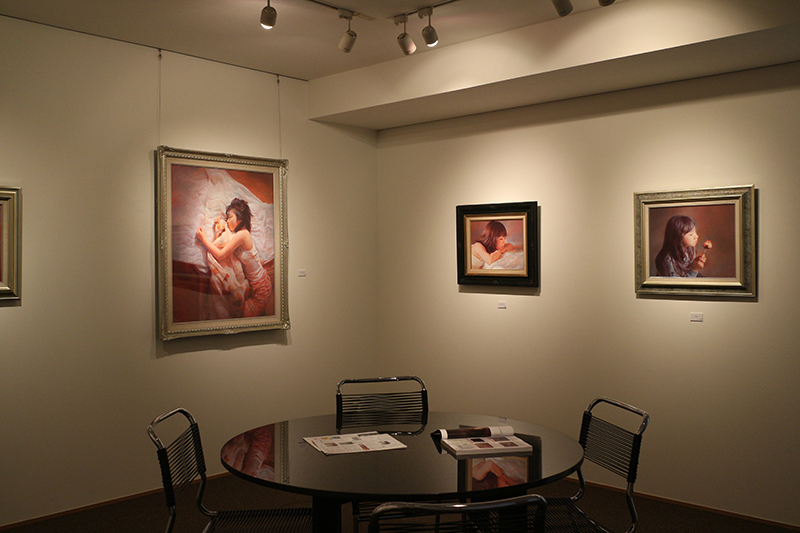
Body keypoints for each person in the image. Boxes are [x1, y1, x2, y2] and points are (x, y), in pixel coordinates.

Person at [196, 198, 272, 317]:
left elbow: (220, 255)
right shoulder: (239, 235)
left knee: (239, 316)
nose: (227, 221)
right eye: (226, 218)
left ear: (240, 219)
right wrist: (218, 227)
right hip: (255, 284)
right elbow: (222, 243)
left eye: (230, 217)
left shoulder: (242, 235)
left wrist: (203, 239)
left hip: (260, 289)